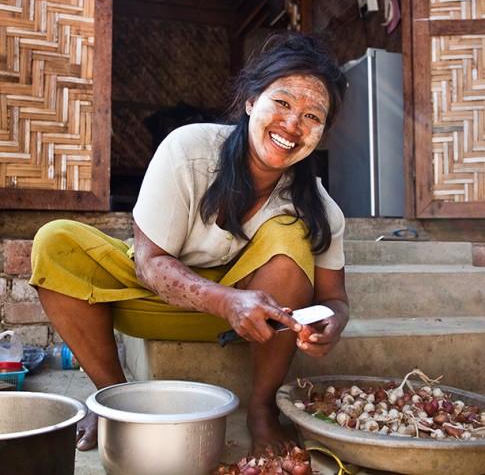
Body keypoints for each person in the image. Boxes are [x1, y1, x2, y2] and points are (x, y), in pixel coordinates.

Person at [29, 30, 349, 455]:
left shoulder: (319, 208)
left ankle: (261, 408)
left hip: (245, 324)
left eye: (313, 116)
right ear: (251, 101)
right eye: (283, 102)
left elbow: (334, 298)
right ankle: (111, 398)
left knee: (292, 234)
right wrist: (225, 301)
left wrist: (333, 323)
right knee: (55, 241)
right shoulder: (189, 149)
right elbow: (147, 263)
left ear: (322, 132)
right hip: (151, 300)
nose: (292, 125)